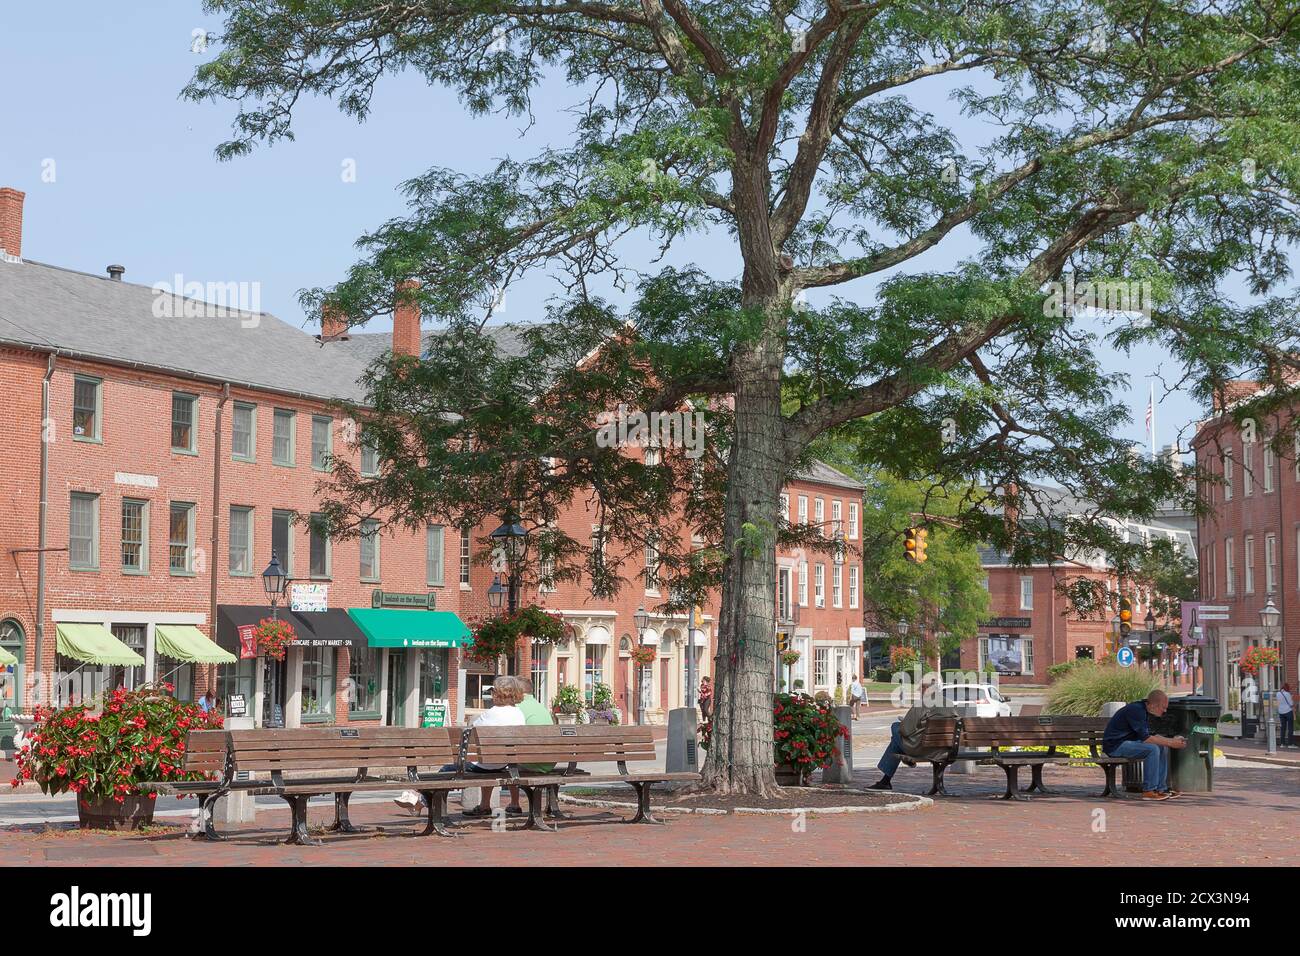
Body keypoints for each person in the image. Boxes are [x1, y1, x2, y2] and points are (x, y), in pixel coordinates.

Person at [394, 675, 526, 817]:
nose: (492, 694)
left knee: (446, 771)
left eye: (493, 691)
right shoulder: (518, 713)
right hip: (502, 764)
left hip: (483, 764)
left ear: (499, 693)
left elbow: (470, 733)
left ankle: (420, 801)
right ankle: (484, 805)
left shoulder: (491, 714)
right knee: (484, 762)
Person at [1102, 690, 1185, 800]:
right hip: (1115, 746)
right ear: (1154, 705)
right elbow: (1147, 739)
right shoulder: (1136, 710)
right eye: (1163, 707)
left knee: (1161, 747)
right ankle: (1149, 791)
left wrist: (1171, 740)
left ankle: (1161, 789)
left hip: (1127, 743)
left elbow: (1150, 735)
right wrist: (1171, 743)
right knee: (1152, 749)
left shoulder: (1144, 710)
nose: (1164, 711)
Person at [501, 676, 556, 816]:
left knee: (504, 762)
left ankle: (514, 803)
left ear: (517, 691)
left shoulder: (516, 708)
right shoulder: (541, 707)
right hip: (549, 762)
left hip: (530, 762)